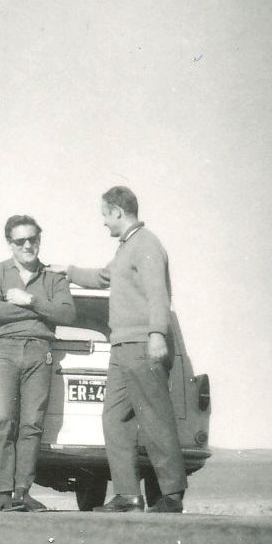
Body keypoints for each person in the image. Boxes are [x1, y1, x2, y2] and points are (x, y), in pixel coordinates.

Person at [50, 186, 187, 513]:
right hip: (121, 347)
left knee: (155, 420)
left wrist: (157, 334)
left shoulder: (147, 244)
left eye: (105, 215)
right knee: (114, 419)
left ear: (117, 212)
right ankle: (128, 495)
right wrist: (68, 271)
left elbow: (159, 294)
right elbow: (102, 277)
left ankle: (172, 495)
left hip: (143, 345)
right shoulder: (125, 248)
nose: (103, 222)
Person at [0, 215, 76, 512]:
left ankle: (23, 492)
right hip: (3, 351)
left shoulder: (54, 278)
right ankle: (4, 492)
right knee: (2, 419)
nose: (27, 245)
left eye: (32, 239)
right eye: (20, 240)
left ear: (39, 240)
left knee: (32, 423)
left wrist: (30, 301)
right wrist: (44, 311)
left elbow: (67, 314)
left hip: (39, 351)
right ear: (9, 243)